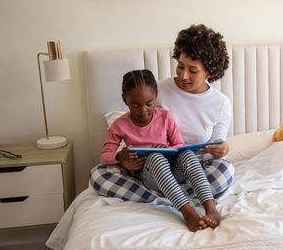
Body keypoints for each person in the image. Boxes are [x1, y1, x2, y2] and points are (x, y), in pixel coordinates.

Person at [90, 24, 234, 227]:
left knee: (224, 170)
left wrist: (222, 149)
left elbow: (213, 147)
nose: (183, 76)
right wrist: (123, 160)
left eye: (192, 70)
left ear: (209, 71)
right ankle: (184, 205)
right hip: (149, 169)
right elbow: (137, 124)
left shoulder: (220, 104)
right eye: (180, 66)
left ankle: (204, 205)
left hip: (189, 168)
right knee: (99, 175)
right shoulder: (158, 90)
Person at [95, 69, 220, 231]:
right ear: (124, 100)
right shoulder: (119, 125)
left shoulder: (165, 117)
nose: (143, 110)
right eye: (135, 105)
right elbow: (104, 157)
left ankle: (211, 208)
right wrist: (120, 156)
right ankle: (187, 211)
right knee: (155, 158)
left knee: (188, 154)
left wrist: (168, 148)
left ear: (156, 97)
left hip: (174, 170)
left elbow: (179, 145)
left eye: (149, 103)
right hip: (150, 175)